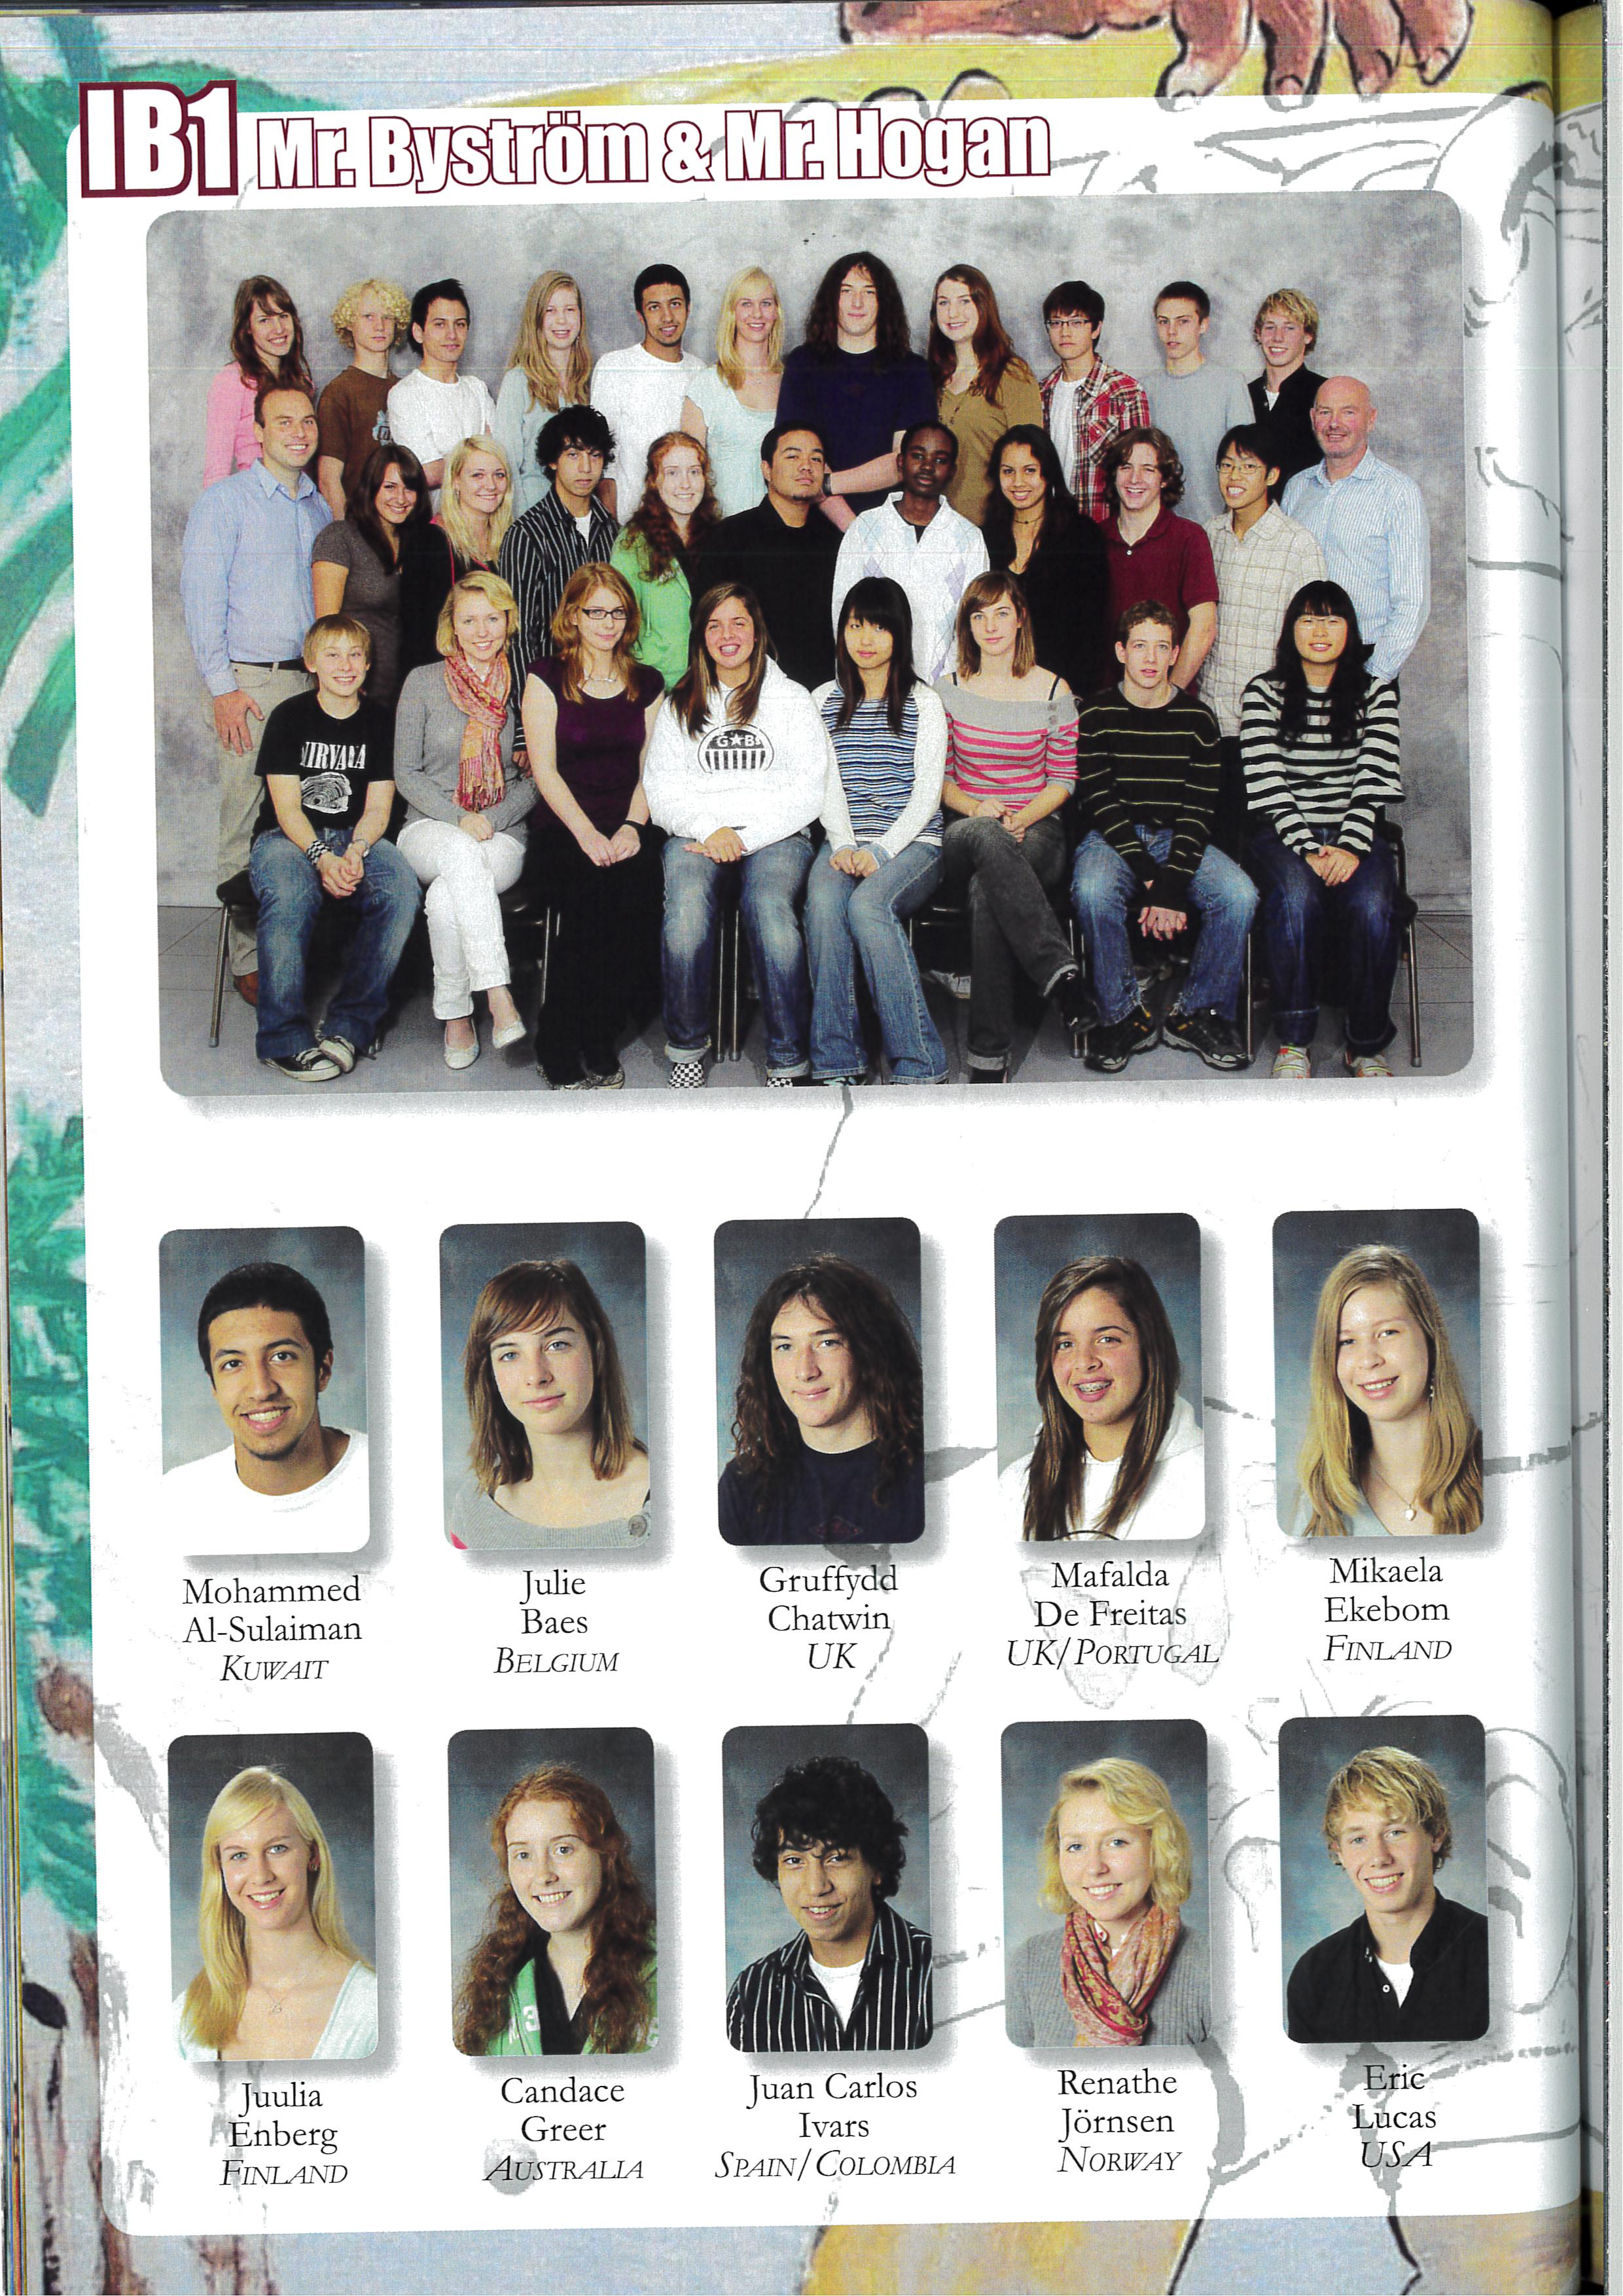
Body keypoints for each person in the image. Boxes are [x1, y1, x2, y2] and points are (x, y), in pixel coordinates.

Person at [181, 381, 332, 1000]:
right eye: (284, 422)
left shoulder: (320, 508)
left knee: (304, 814)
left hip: (310, 683)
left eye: (307, 421)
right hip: (249, 683)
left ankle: (294, 945)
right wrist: (222, 688)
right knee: (245, 815)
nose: (298, 432)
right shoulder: (225, 503)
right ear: (260, 432)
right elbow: (201, 599)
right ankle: (248, 958)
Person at [643, 583, 827, 1087]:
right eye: (714, 625)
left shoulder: (791, 699)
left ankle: (788, 1058)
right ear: (702, 637)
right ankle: (686, 1047)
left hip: (777, 836)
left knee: (770, 911)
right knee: (685, 912)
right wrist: (711, 829)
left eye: (738, 623)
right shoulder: (681, 702)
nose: (727, 635)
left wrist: (747, 837)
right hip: (698, 834)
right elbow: (661, 789)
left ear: (757, 631)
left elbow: (810, 789)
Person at [1071, 602, 1254, 1074]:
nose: (1150, 659)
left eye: (1161, 648)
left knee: (1238, 895)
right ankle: (1122, 1016)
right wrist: (1157, 883)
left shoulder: (1199, 719)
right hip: (1112, 837)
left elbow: (1199, 812)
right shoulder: (1095, 713)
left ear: (1175, 654)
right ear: (1121, 652)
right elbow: (1102, 804)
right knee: (1092, 890)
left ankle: (1196, 1013)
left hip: (1178, 836)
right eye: (1139, 646)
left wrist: (1172, 884)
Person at [1242, 581, 1406, 1079]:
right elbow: (1267, 783)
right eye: (1309, 619)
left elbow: (1374, 778)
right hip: (1283, 833)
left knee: (1374, 907)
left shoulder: (1376, 693)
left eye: (1333, 619)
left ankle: (1366, 1043)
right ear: (1290, 629)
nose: (1320, 630)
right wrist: (1310, 848)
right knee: (1296, 899)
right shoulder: (1263, 693)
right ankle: (1294, 1042)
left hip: (1356, 831)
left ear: (1350, 631)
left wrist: (1350, 847)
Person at [247, 614, 419, 1081]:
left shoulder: (381, 722)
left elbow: (379, 807)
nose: (345, 665)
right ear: (311, 663)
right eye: (333, 655)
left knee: (401, 890)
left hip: (357, 835)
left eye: (355, 655)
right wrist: (322, 858)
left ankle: (350, 1026)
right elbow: (287, 809)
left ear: (367, 664)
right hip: (289, 837)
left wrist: (356, 851)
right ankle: (282, 1040)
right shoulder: (289, 717)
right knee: (292, 895)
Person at [935, 572, 1092, 1083]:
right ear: (968, 626)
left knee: (988, 892)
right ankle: (1060, 973)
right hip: (968, 824)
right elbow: (940, 779)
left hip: (1038, 824)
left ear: (1021, 617)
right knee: (986, 838)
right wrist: (980, 809)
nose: (991, 626)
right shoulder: (949, 689)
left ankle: (988, 1059)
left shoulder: (1054, 689)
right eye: (979, 616)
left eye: (1002, 613)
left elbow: (1063, 779)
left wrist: (1020, 818)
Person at [522, 565, 666, 1088]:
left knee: (638, 898)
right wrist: (586, 835)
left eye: (618, 612)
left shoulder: (648, 683)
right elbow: (545, 772)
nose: (608, 622)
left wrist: (631, 828)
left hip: (628, 820)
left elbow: (652, 771)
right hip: (564, 825)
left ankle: (601, 1034)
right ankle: (557, 1040)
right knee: (587, 902)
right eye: (596, 611)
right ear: (573, 615)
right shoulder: (545, 677)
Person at [807, 579, 948, 1086]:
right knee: (824, 905)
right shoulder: (823, 699)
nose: (865, 639)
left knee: (868, 906)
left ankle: (921, 1062)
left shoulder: (923, 702)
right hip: (844, 838)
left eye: (878, 627)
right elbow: (826, 784)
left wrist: (882, 851)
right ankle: (838, 1059)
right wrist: (845, 843)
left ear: (899, 633)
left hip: (914, 844)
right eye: (855, 625)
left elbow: (927, 795)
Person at [393, 571, 535, 1069]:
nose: (481, 631)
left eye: (492, 619)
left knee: (444, 896)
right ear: (451, 625)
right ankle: (498, 994)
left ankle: (455, 1014)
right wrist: (459, 817)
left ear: (508, 622)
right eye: (469, 620)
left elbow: (538, 776)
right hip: (428, 826)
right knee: (457, 851)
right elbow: (405, 772)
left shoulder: (525, 685)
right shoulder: (422, 681)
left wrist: (490, 818)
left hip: (502, 829)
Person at [726, 1753, 933, 2051]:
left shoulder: (940, 1972)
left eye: (836, 1858)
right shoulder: (752, 1992)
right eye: (794, 1860)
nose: (816, 1887)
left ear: (877, 1866)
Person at [162, 1261, 368, 1555]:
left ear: (322, 1370)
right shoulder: (173, 1501)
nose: (261, 1390)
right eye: (233, 1364)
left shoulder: (391, 1477)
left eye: (282, 1356)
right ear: (214, 1386)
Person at [1286, 1746, 1488, 2043]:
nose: (1379, 1858)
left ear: (1436, 1834)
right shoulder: (1315, 1976)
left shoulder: (1497, 1953)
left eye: (1395, 1832)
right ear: (1339, 1852)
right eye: (1358, 1839)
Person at [719, 1254, 925, 1545]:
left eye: (827, 1343)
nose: (805, 1371)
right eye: (785, 1346)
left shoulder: (932, 1474)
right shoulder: (743, 1486)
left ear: (871, 1351)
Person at [175, 1766, 376, 2061]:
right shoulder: (186, 2017)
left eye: (277, 1849)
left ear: (313, 1855)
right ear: (220, 1870)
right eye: (239, 1855)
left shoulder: (372, 2009)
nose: (261, 1876)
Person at [1006, 1758, 1210, 2049]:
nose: (1094, 1868)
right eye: (1076, 1846)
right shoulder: (1029, 1962)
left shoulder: (1211, 1965)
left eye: (1117, 1842)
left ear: (1157, 1847)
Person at [450, 1258, 651, 1551]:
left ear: (596, 1351)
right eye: (509, 1354)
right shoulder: (474, 1511)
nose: (536, 1376)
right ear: (490, 1375)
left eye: (557, 1345)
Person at [455, 1763, 656, 2055]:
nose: (543, 1875)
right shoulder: (498, 1985)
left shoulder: (668, 1969)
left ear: (606, 1855)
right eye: (523, 1855)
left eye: (563, 1849)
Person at [999, 1256, 1205, 1541]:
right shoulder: (1017, 1485)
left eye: (1107, 1339)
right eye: (1065, 1344)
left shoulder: (1208, 1478)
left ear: (1150, 1347)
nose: (1084, 1362)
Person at [1293, 1244, 1482, 1537]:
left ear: (1430, 1338)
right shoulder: (1319, 1506)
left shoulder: (1503, 1473)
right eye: (1347, 1341)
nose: (1368, 1360)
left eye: (1387, 1333)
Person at [1281, 378, 1431, 687]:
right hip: (1300, 660)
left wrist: (1375, 675)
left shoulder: (1398, 493)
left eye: (1348, 412)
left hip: (1365, 659)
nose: (1334, 424)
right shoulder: (1297, 488)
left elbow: (1412, 601)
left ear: (1371, 419)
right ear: (1313, 418)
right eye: (1325, 412)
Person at [776, 251, 935, 526]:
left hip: (891, 526)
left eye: (869, 292)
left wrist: (827, 484)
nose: (857, 302)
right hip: (812, 524)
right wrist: (853, 530)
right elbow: (798, 458)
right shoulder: (803, 363)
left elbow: (904, 462)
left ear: (884, 302)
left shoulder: (913, 370)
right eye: (846, 291)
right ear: (831, 299)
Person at [1202, 425, 1327, 764]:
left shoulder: (1298, 545)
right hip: (1208, 716)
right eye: (1227, 465)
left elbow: (1313, 639)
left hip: (1269, 723)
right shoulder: (1208, 535)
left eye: (1248, 466)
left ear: (1272, 475)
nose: (1234, 476)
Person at [830, 422, 989, 684]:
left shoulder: (969, 538)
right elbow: (842, 611)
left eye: (940, 460)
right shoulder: (865, 528)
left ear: (953, 471)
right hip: (871, 685)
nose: (927, 466)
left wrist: (949, 688)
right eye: (918, 456)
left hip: (944, 688)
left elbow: (972, 622)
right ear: (901, 462)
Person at [694, 425, 842, 691]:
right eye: (793, 456)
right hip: (751, 690)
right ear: (766, 470)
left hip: (825, 692)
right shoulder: (730, 538)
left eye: (816, 459)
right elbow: (706, 621)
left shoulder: (835, 541)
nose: (806, 466)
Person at [984, 424, 1111, 700]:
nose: (1018, 482)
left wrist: (1076, 696)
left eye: (1030, 470)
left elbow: (1092, 629)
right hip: (998, 690)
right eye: (1008, 471)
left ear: (1049, 473)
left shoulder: (1081, 535)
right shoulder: (986, 537)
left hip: (1062, 691)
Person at [311, 441, 433, 710]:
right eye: (390, 487)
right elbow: (326, 629)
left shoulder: (420, 546)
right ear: (371, 487)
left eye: (409, 488)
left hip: (406, 695)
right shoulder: (340, 538)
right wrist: (347, 687)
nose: (400, 498)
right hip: (353, 691)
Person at [497, 405, 620, 675]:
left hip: (605, 681)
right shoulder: (527, 534)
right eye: (573, 455)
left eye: (595, 455)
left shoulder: (612, 531)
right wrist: (530, 697)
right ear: (553, 461)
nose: (586, 468)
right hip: (550, 684)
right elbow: (518, 633)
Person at [1099, 429, 1218, 692]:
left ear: (1164, 479)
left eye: (1148, 469)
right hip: (1105, 701)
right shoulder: (1095, 539)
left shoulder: (1189, 538)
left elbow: (1204, 628)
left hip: (1169, 701)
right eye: (1126, 467)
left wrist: (1168, 696)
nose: (1135, 479)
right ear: (1114, 474)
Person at [927, 264, 1043, 525]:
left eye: (964, 301)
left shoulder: (1012, 374)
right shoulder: (931, 376)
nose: (952, 312)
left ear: (983, 306)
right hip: (939, 527)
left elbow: (1033, 459)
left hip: (994, 525)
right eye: (943, 303)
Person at [589, 263, 702, 520]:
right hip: (629, 524)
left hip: (686, 523)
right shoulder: (615, 367)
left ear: (688, 308)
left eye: (675, 304)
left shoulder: (700, 372)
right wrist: (613, 530)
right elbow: (604, 460)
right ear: (640, 315)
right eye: (654, 307)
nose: (667, 317)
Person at [609, 431, 722, 687]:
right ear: (654, 481)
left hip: (713, 680)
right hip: (654, 683)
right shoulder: (632, 542)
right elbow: (619, 619)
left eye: (694, 472)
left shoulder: (721, 536)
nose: (686, 484)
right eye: (673, 473)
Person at [399, 432, 515, 676]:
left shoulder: (511, 541)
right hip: (444, 681)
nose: (491, 485)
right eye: (478, 475)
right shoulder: (429, 541)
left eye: (499, 475)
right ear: (456, 482)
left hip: (500, 677)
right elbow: (417, 635)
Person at [1038, 278, 1151, 526]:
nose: (1065, 332)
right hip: (1051, 528)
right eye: (1056, 323)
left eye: (1076, 322)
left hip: (1105, 529)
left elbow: (1139, 474)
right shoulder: (1041, 393)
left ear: (1096, 328)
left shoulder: (1125, 392)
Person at [681, 264, 784, 516]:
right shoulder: (706, 386)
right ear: (732, 313)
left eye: (766, 303)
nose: (757, 314)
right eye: (746, 304)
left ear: (776, 312)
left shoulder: (793, 384)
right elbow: (688, 476)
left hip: (786, 533)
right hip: (724, 531)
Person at [1147, 280, 1251, 528]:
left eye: (1183, 321)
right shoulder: (1144, 389)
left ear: (1203, 325)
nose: (1172, 331)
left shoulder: (1230, 384)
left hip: (1218, 527)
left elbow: (1247, 464)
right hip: (1159, 528)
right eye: (1164, 322)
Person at [495, 270, 594, 518]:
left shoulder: (586, 385)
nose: (562, 320)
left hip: (578, 518)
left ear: (580, 317)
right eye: (551, 311)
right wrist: (524, 527)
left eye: (570, 310)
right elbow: (506, 466)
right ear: (537, 319)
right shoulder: (518, 381)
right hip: (533, 517)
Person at [385, 278, 497, 496]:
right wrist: (480, 456)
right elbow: (427, 473)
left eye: (460, 324)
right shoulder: (405, 394)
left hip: (486, 511)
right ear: (419, 332)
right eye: (440, 324)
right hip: (435, 515)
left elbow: (499, 456)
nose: (452, 334)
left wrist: (453, 461)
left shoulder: (477, 389)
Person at [203, 275, 313, 488]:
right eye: (265, 320)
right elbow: (216, 470)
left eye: (283, 316)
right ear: (247, 328)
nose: (279, 329)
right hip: (256, 498)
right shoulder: (233, 380)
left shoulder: (302, 382)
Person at [315, 276, 411, 517]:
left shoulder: (408, 390)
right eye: (368, 317)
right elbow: (329, 480)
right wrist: (345, 534)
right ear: (350, 323)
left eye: (387, 317)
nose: (380, 326)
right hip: (360, 524)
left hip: (404, 522)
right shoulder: (339, 393)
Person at [1247, 289, 1327, 490]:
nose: (1278, 338)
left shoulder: (1325, 393)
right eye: (1270, 327)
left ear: (1307, 335)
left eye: (1289, 328)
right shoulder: (1244, 394)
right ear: (1259, 333)